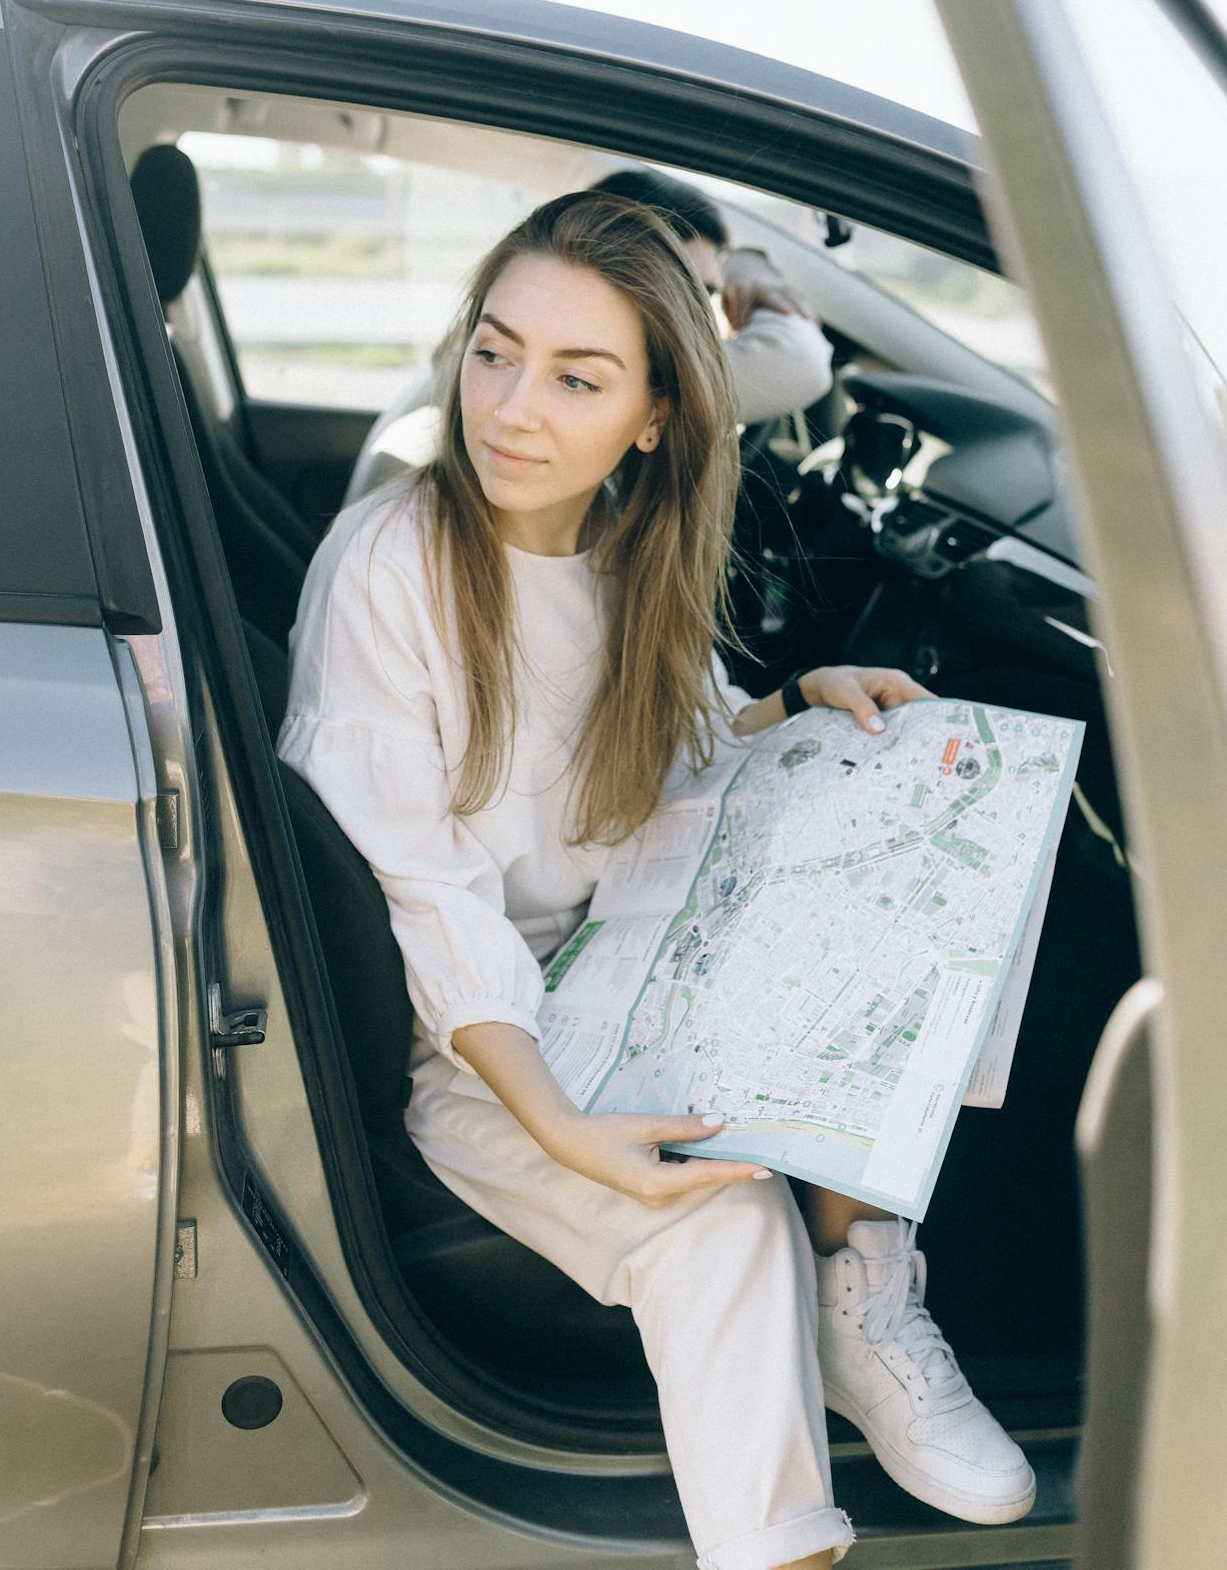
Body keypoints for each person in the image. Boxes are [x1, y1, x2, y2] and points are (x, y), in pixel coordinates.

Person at [278, 192, 1036, 1570]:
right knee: (724, 1212)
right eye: (496, 352)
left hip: (626, 963)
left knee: (933, 824)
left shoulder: (626, 553)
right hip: (484, 1048)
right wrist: (560, 1122)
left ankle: (858, 1289)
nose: (510, 408)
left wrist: (796, 707)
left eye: (575, 378)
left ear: (649, 421)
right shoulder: (391, 562)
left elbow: (673, 754)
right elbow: (430, 897)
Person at [343, 166, 833, 503]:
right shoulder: (638, 369)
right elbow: (804, 365)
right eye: (677, 292)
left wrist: (748, 264)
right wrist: (756, 272)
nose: (695, 320)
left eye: (704, 293)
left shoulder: (479, 354)